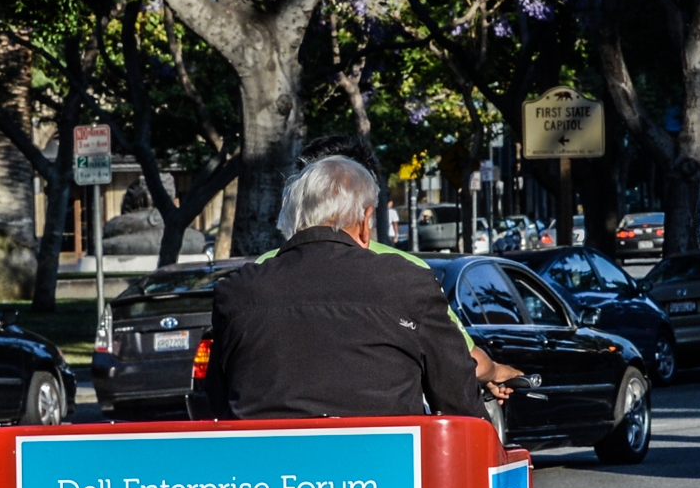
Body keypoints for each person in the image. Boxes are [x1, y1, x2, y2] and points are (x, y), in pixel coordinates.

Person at [205, 156, 487, 421]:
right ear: (366, 221)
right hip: (386, 466)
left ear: (294, 219)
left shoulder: (238, 291)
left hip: (268, 468)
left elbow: (219, 402)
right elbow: (458, 401)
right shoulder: (407, 282)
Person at [287, 135, 523, 400]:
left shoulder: (260, 271)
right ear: (368, 213)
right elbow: (462, 361)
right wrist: (496, 372)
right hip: (384, 434)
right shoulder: (407, 272)